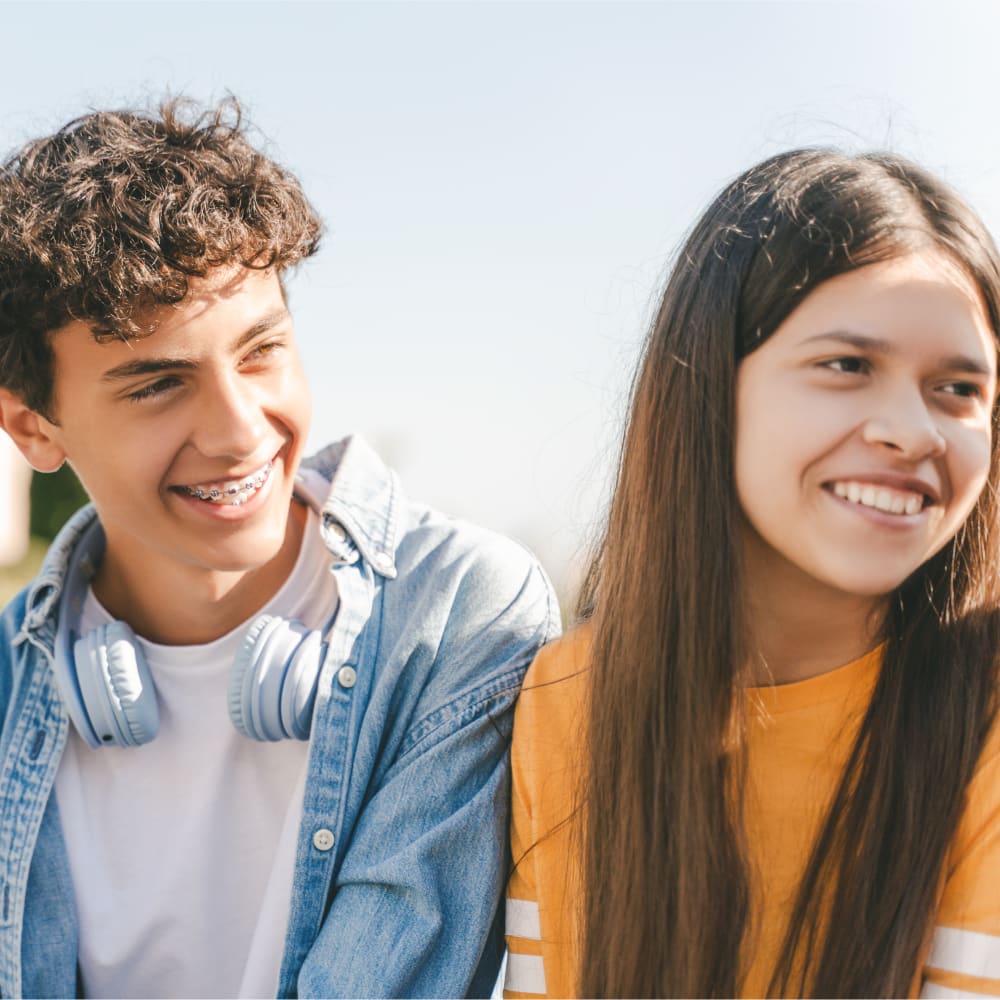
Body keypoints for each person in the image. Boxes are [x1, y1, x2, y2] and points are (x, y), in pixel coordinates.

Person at [0, 97, 560, 999]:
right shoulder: (6, 679)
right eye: (158, 386)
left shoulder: (460, 612)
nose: (239, 432)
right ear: (34, 428)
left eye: (261, 351)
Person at [504, 150, 1000, 998]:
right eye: (847, 366)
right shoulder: (569, 697)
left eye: (958, 388)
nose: (914, 431)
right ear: (708, 385)